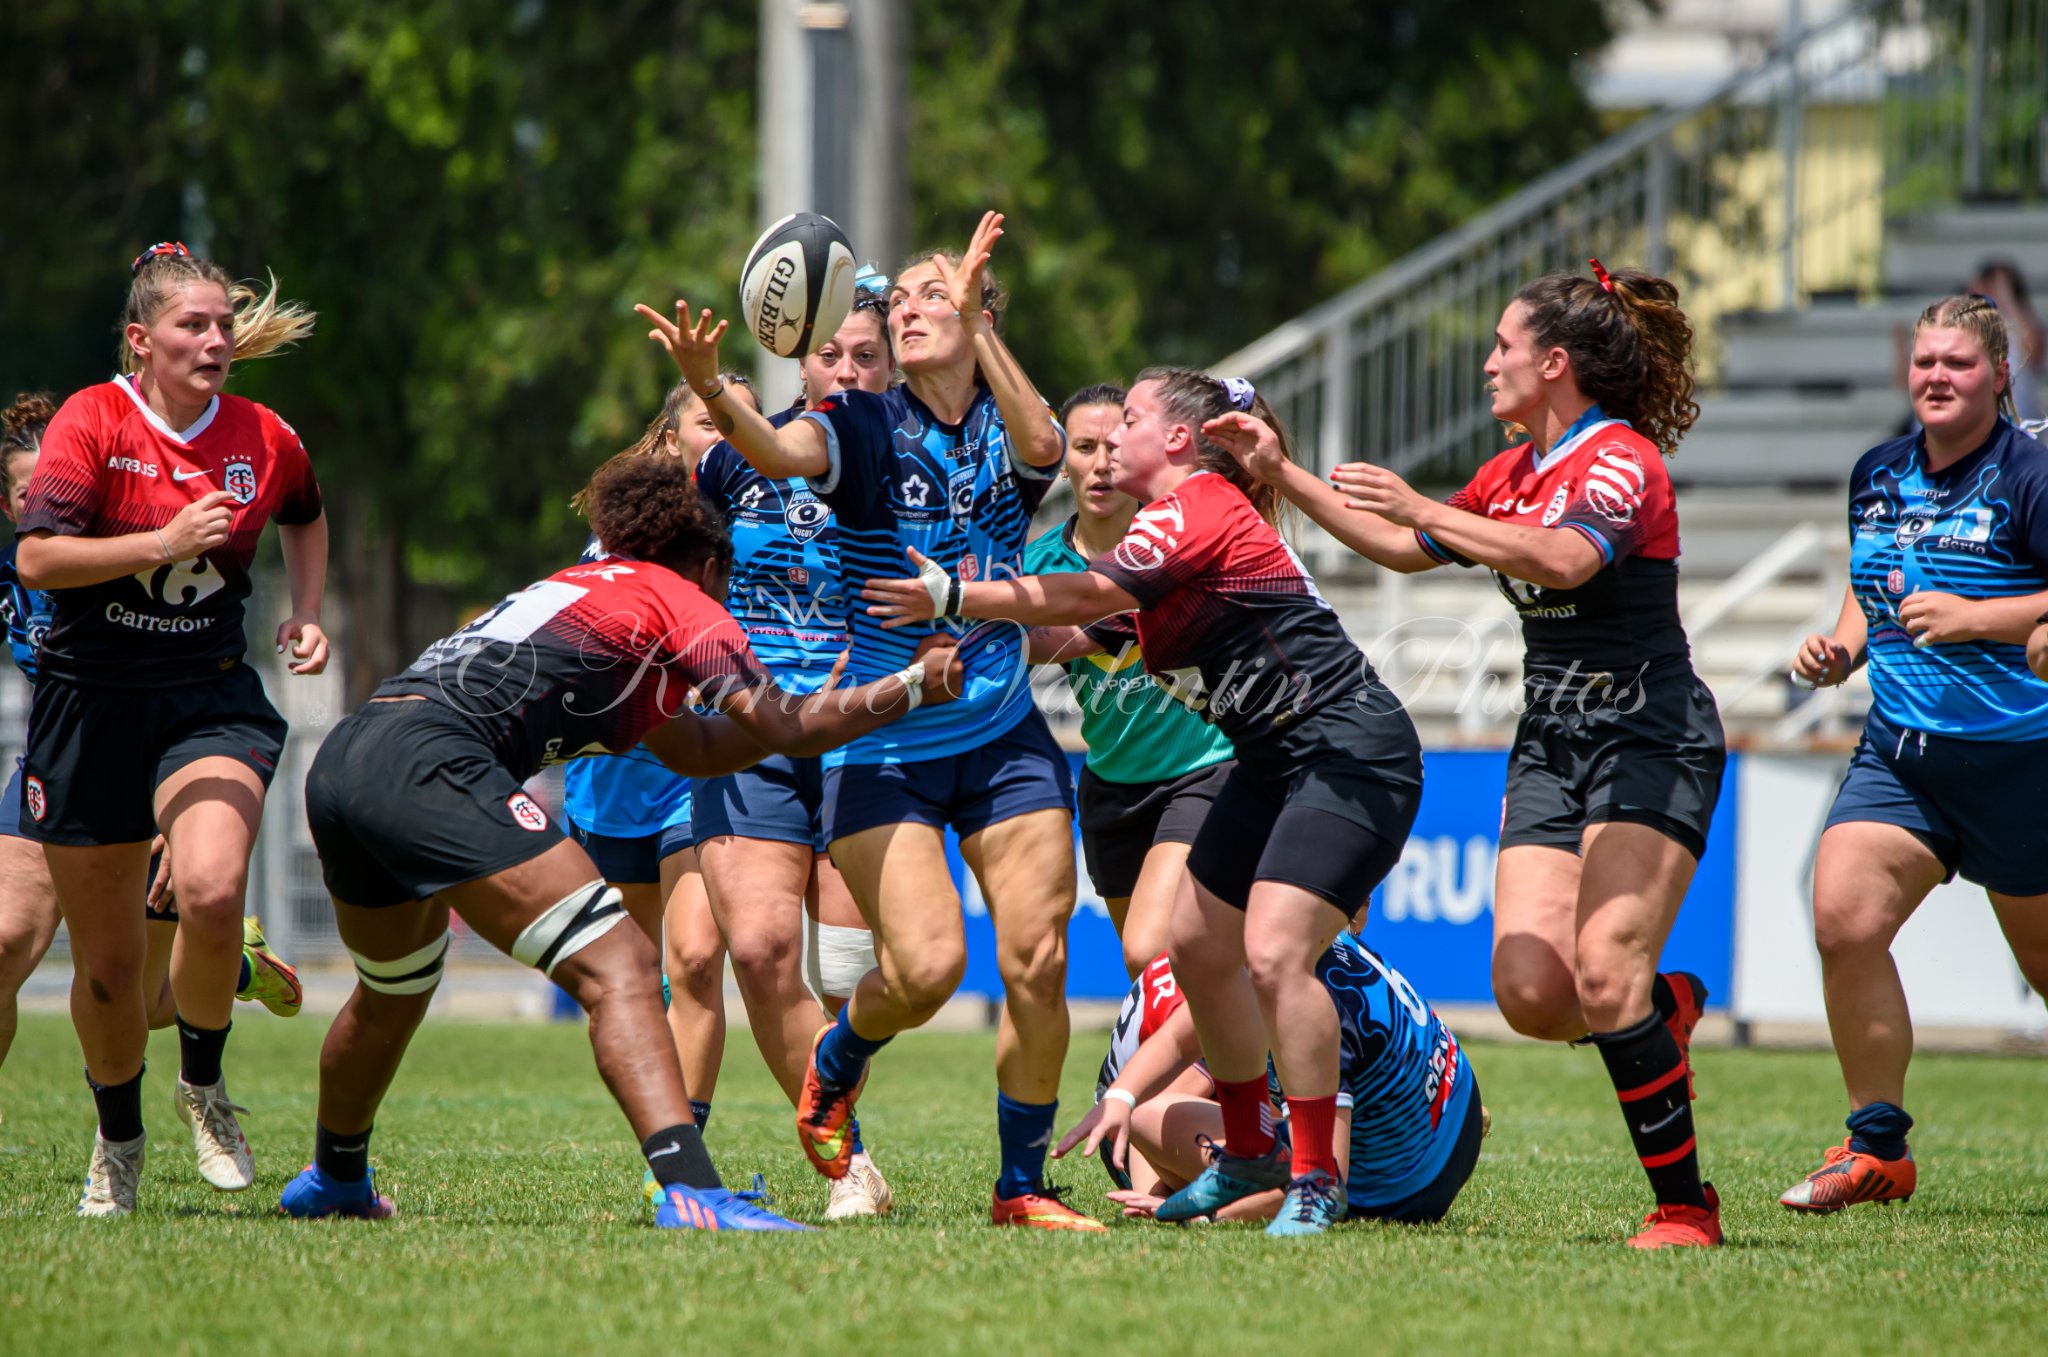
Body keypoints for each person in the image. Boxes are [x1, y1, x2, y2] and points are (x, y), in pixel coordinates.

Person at [284, 453, 962, 1231]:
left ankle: (335, 1177)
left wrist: (831, 700)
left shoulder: (582, 589)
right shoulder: (678, 596)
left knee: (391, 993)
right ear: (709, 564)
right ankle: (691, 1190)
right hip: (434, 763)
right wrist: (909, 686)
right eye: (726, 581)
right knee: (623, 963)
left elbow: (701, 750)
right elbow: (779, 727)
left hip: (351, 757)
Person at [1211, 261, 1723, 1248]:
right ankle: (1665, 1010)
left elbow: (1566, 558)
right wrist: (1280, 475)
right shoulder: (1513, 470)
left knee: (1602, 976)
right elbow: (1399, 545)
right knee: (1533, 993)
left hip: (1646, 732)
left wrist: (1428, 511)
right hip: (1551, 739)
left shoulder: (1617, 459)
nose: (1487, 363)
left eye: (1500, 346)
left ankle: (1682, 1207)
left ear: (1553, 361)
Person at [864, 369, 1425, 1236]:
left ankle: (1314, 1177)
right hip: (1277, 760)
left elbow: (1087, 592)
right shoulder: (1170, 540)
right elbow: (1066, 630)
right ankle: (1247, 1150)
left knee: (1275, 953)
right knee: (1198, 946)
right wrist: (948, 642)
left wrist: (956, 593)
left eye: (1126, 419)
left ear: (1174, 441)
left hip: (1349, 749)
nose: (1107, 436)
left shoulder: (1195, 505)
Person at [636, 212, 1093, 1231]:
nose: (924, 309)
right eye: (915, 298)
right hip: (881, 744)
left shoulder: (994, 422)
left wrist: (981, 326)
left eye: (942, 298)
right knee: (927, 970)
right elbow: (771, 443)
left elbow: (1044, 445)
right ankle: (834, 1064)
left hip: (1003, 729)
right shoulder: (863, 428)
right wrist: (714, 389)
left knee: (1040, 957)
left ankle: (1020, 1186)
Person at [15, 244, 329, 1215]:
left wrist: (306, 611)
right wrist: (161, 542)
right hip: (89, 707)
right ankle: (118, 1139)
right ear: (141, 340)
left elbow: (306, 514)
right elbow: (35, 558)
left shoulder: (264, 435)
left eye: (225, 324)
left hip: (207, 697)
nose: (217, 340)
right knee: (108, 973)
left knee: (209, 882)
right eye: (194, 325)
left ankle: (203, 1084)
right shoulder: (91, 420)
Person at [1781, 293, 2048, 1212]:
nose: (1937, 376)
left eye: (1959, 364)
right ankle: (1876, 1149)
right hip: (1901, 755)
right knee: (1842, 918)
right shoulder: (1877, 471)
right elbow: (1869, 588)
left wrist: (1979, 620)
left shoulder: (2030, 476)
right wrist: (1839, 648)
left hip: (2023, 760)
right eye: (1925, 361)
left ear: (2000, 375)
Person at [0, 394, 300, 1086]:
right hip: (61, 757)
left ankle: (235, 960)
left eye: (62, 483)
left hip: (152, 752)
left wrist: (174, 816)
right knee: (8, 941)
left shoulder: (135, 548)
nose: (52, 497)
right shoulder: (24, 563)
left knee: (141, 999)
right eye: (31, 490)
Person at [688, 291, 896, 1219]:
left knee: (853, 971)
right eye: (829, 354)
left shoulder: (911, 461)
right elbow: (680, 573)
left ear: (890, 369)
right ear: (797, 363)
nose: (847, 370)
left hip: (864, 731)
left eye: (866, 355)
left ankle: (834, 1092)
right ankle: (849, 1165)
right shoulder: (733, 463)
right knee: (763, 948)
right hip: (752, 729)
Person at [560, 374, 763, 1156]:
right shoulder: (620, 536)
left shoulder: (764, 527)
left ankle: (688, 1159)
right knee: (633, 983)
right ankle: (662, 1149)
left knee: (698, 961)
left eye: (740, 421)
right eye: (712, 422)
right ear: (673, 440)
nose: (728, 433)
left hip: (700, 773)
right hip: (614, 779)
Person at [1054, 931, 1484, 1227]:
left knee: (1158, 1114)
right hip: (1457, 1110)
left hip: (1403, 1187)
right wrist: (1121, 1097)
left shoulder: (1317, 1014)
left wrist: (1196, 1214)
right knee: (1152, 1108)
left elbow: (1322, 1185)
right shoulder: (1289, 949)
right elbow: (1178, 1038)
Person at [1020, 383, 1234, 976]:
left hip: (1205, 767)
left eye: (1114, 444)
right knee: (1152, 974)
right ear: (1062, 459)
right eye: (1084, 446)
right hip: (1112, 784)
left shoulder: (1178, 536)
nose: (1101, 462)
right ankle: (1230, 1068)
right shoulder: (1036, 566)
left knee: (1156, 949)